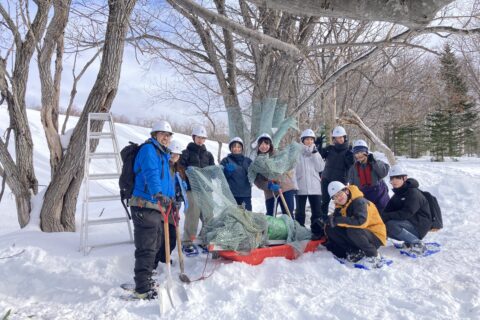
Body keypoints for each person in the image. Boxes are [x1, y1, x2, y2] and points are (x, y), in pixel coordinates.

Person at [128, 120, 175, 300]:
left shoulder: (163, 154)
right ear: (154, 135)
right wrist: (157, 193)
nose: (166, 137)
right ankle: (142, 289)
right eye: (162, 134)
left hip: (155, 205)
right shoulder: (149, 150)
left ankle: (145, 278)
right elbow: (150, 173)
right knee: (146, 248)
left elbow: (167, 181)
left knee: (155, 244)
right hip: (144, 204)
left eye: (168, 135)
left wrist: (170, 198)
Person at [324, 181, 387, 268]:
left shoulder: (359, 201)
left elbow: (361, 222)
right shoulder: (340, 206)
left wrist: (337, 220)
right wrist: (327, 221)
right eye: (335, 196)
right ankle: (355, 251)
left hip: (375, 236)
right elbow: (337, 222)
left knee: (353, 230)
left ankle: (373, 255)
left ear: (346, 191)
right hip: (361, 235)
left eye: (340, 193)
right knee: (331, 228)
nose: (339, 197)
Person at [178, 125, 215, 256]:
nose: (200, 140)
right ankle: (187, 242)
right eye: (198, 137)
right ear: (194, 137)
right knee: (192, 215)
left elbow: (212, 170)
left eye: (203, 138)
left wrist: (214, 174)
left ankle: (204, 240)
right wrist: (187, 175)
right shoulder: (186, 153)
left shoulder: (208, 154)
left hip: (206, 190)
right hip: (192, 189)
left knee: (208, 216)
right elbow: (180, 168)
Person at [381, 165, 432, 254]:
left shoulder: (413, 193)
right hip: (409, 223)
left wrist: (387, 217)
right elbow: (387, 210)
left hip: (419, 225)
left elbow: (406, 213)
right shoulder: (398, 193)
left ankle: (417, 243)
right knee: (383, 224)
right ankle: (409, 241)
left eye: (397, 178)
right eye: (392, 179)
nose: (394, 181)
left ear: (404, 178)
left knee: (391, 225)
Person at [315, 126, 354, 234]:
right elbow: (320, 155)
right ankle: (321, 224)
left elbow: (351, 165)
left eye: (341, 137)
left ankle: (339, 224)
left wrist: (351, 157)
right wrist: (318, 145)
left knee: (340, 203)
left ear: (345, 137)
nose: (339, 140)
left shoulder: (348, 151)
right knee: (324, 202)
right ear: (334, 139)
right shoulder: (330, 148)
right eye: (337, 138)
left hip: (340, 181)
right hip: (326, 178)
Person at [253, 133, 297, 216]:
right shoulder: (256, 162)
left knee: (288, 214)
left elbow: (286, 168)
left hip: (285, 188)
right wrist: (268, 185)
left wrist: (278, 179)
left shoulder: (278, 155)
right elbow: (257, 181)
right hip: (270, 192)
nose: (264, 146)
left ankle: (291, 228)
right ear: (258, 146)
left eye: (266, 143)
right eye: (261, 144)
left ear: (270, 145)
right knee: (271, 215)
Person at [348, 139, 390, 213]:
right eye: (357, 153)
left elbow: (383, 172)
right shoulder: (353, 169)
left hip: (379, 197)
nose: (359, 155)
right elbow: (352, 186)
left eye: (361, 152)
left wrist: (374, 162)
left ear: (366, 152)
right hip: (364, 198)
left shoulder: (375, 162)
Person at [295, 129, 325, 227]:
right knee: (300, 213)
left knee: (317, 212)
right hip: (300, 186)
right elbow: (293, 170)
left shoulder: (316, 153)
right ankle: (300, 231)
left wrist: (315, 154)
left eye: (311, 139)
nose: (309, 141)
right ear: (302, 140)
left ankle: (316, 231)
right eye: (307, 139)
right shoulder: (297, 154)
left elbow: (321, 168)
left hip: (315, 187)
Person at [220, 137, 253, 211]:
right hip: (230, 195)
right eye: (234, 146)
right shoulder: (225, 161)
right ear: (231, 148)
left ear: (241, 148)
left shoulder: (248, 161)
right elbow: (220, 177)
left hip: (245, 195)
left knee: (246, 218)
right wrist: (227, 172)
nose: (236, 148)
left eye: (239, 147)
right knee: (232, 217)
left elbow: (255, 174)